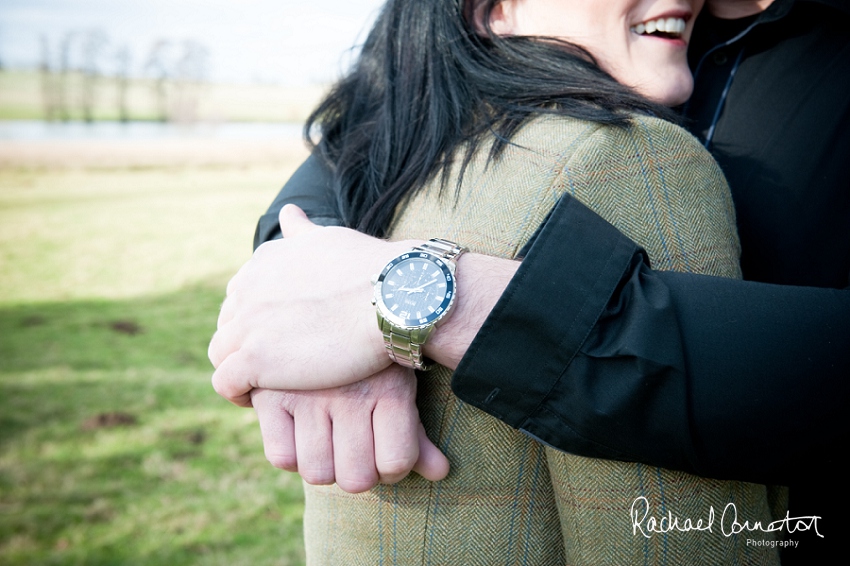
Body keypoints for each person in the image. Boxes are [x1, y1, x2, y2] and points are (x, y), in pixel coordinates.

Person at [216, 0, 850, 562]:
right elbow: (353, 137)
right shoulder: (588, 148)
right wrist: (305, 267)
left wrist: (424, 301)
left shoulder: (608, 148)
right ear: (495, 10)